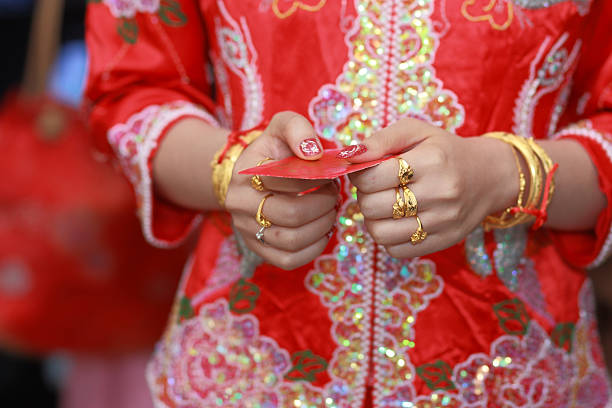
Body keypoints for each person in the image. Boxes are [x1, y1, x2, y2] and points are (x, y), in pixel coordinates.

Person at [84, 0, 612, 406]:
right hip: (247, 362)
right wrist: (228, 171)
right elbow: (134, 86)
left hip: (513, 370)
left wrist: (509, 175)